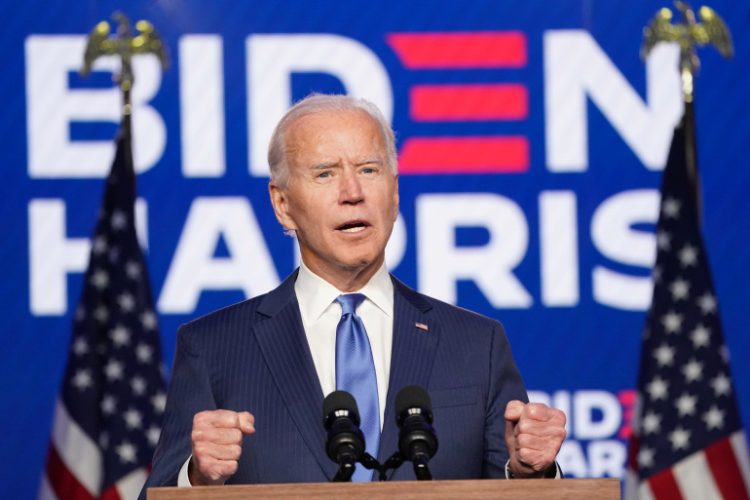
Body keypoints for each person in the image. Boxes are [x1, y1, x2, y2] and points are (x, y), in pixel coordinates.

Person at [140, 94, 566, 495]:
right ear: (283, 204)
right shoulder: (214, 348)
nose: (352, 193)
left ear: (394, 192)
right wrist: (197, 478)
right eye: (325, 173)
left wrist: (531, 470)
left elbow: (516, 486)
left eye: (368, 169)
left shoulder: (477, 344)